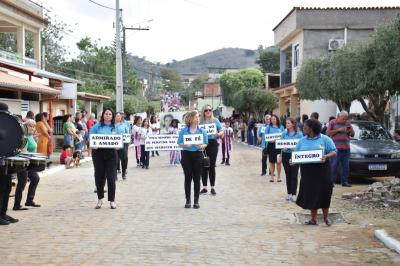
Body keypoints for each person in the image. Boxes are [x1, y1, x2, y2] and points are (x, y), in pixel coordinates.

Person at [294, 119, 337, 226]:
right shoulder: (302, 141)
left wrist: (326, 156)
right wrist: (293, 161)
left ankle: (326, 218)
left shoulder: (325, 139)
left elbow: (334, 151)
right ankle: (313, 219)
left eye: (305, 127)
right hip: (307, 171)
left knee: (325, 193)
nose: (303, 129)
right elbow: (296, 154)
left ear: (311, 129)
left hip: (322, 170)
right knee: (311, 194)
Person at [177, 111, 208, 209]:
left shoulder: (202, 131)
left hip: (198, 155)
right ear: (190, 119)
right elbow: (179, 143)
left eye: (198, 117)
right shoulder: (183, 131)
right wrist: (186, 145)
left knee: (197, 179)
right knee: (188, 178)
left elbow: (206, 143)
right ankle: (188, 200)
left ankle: (196, 201)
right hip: (186, 156)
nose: (198, 118)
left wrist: (201, 146)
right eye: (196, 117)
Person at [90, 108, 118, 209]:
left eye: (110, 114)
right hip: (98, 153)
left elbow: (120, 140)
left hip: (111, 154)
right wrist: (93, 145)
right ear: (103, 115)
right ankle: (100, 199)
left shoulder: (115, 127)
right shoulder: (96, 127)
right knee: (99, 177)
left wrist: (118, 145)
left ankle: (112, 200)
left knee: (111, 178)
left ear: (112, 116)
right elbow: (91, 139)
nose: (107, 115)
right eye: (106, 114)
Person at [14, 119, 41, 211]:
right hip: (22, 162)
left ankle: (29, 200)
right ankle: (16, 205)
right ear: (25, 126)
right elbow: (23, 150)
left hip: (30, 162)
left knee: (35, 178)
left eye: (34, 126)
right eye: (30, 126)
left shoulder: (30, 136)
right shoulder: (24, 136)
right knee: (22, 183)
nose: (33, 128)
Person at [0, 102, 19, 225]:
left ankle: (3, 213)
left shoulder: (6, 123)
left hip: (4, 161)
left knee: (7, 188)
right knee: (1, 189)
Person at [200, 105, 224, 196]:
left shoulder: (215, 120)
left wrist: (218, 134)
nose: (208, 111)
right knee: (203, 166)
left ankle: (213, 187)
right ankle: (205, 187)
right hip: (203, 145)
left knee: (211, 166)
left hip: (213, 144)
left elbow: (222, 131)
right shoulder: (200, 122)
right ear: (203, 111)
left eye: (210, 110)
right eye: (206, 110)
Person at [326, 110, 355, 187]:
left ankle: (344, 181)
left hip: (346, 147)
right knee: (334, 165)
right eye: (343, 119)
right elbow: (328, 133)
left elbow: (352, 135)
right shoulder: (332, 122)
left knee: (346, 166)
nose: (345, 120)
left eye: (346, 119)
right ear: (338, 117)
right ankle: (331, 182)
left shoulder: (348, 123)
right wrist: (338, 130)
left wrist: (350, 130)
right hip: (335, 148)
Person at [281, 117, 303, 202]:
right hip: (286, 155)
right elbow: (280, 144)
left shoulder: (299, 134)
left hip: (295, 155)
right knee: (288, 174)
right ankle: (289, 193)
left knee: (294, 175)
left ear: (293, 124)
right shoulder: (284, 133)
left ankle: (294, 194)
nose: (287, 125)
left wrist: (295, 149)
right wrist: (283, 148)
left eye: (288, 123)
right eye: (286, 123)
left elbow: (301, 145)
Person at [266, 115, 284, 182]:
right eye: (272, 119)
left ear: (277, 119)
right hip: (271, 146)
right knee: (271, 162)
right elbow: (266, 137)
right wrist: (269, 140)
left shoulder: (281, 127)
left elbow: (283, 136)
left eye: (274, 119)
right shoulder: (268, 127)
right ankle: (272, 177)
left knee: (278, 162)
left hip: (278, 146)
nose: (273, 120)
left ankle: (279, 177)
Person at [115, 112, 129, 178]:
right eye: (116, 116)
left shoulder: (124, 125)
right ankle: (115, 174)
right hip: (114, 146)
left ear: (121, 117)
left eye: (119, 116)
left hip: (123, 145)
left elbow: (127, 134)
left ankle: (123, 173)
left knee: (124, 159)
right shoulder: (111, 125)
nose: (118, 117)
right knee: (115, 160)